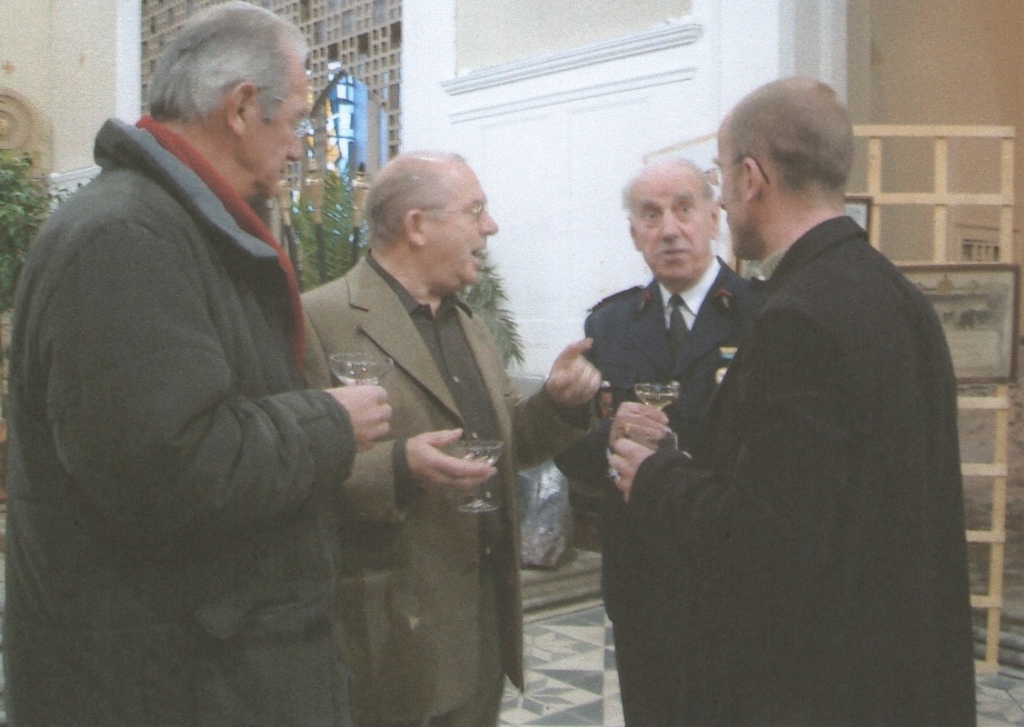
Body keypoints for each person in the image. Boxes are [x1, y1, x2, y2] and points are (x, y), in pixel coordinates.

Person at [2, 4, 392, 725]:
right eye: (299, 118)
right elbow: (165, 469)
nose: (304, 146)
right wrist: (328, 421)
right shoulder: (124, 236)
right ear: (242, 107)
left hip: (211, 666)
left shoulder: (175, 225)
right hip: (161, 682)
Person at [608, 77, 977, 725]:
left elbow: (770, 541)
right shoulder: (900, 296)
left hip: (823, 683)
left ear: (752, 177)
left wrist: (657, 476)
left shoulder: (795, 317)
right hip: (905, 670)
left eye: (720, 176)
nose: (722, 194)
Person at [300, 151, 602, 727]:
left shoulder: (465, 322)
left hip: (483, 624)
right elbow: (293, 471)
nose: (490, 227)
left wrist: (558, 406)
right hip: (389, 640)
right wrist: (398, 468)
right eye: (476, 211)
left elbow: (504, 444)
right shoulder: (321, 318)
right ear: (417, 226)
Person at [552, 158, 757, 725]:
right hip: (643, 581)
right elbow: (574, 456)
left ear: (714, 217)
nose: (670, 228)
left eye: (685, 208)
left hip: (735, 578)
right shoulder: (610, 324)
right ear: (634, 233)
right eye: (651, 214)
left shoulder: (761, 315)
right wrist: (608, 439)